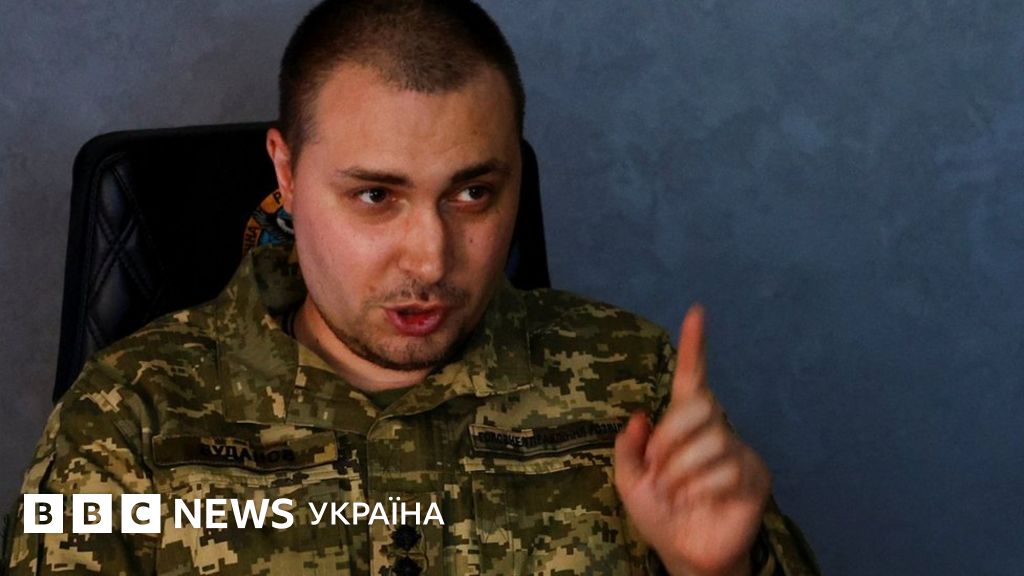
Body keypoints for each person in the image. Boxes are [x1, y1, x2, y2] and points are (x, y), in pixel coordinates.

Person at [3, 1, 819, 574]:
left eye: (473, 193)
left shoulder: (632, 383)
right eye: (375, 196)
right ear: (286, 173)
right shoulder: (128, 416)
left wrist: (717, 571)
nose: (430, 261)